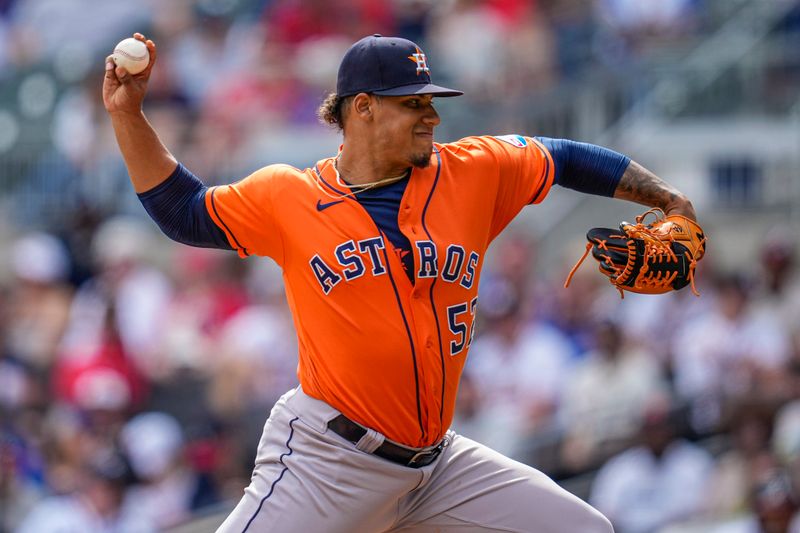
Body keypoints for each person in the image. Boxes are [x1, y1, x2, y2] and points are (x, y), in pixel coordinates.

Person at [103, 32, 700, 532]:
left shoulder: (474, 170)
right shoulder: (287, 196)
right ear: (362, 108)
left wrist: (668, 198)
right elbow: (184, 212)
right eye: (413, 104)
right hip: (329, 462)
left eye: (430, 102)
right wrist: (128, 116)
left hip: (439, 466)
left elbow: (565, 156)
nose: (432, 115)